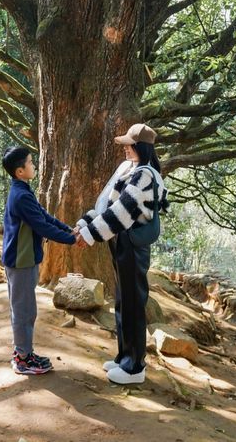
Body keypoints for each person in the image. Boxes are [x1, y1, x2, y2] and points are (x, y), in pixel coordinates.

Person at [75, 122, 168, 385]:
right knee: (122, 301)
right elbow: (108, 205)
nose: (125, 148)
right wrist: (85, 224)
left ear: (141, 147)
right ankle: (123, 358)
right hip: (121, 242)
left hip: (133, 245)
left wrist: (90, 235)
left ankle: (134, 367)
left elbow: (122, 212)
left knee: (133, 305)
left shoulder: (145, 175)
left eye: (129, 144)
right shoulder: (131, 170)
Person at [2, 145, 85, 375]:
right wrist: (73, 240)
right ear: (20, 171)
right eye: (30, 162)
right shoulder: (20, 196)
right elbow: (42, 227)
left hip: (24, 259)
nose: (34, 165)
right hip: (21, 261)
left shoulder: (23, 191)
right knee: (23, 310)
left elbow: (45, 217)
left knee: (25, 309)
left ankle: (25, 352)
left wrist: (70, 231)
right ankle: (22, 359)